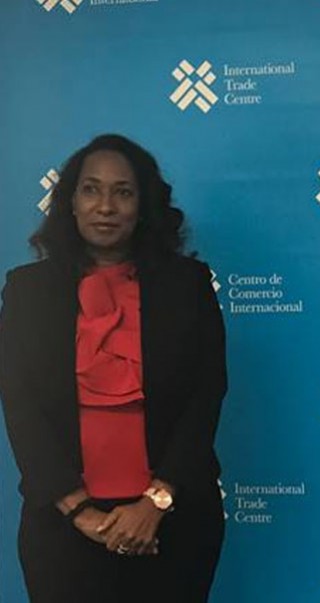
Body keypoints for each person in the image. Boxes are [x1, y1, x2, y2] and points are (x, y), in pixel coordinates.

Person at [0, 134, 227, 602]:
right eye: (91, 190)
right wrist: (79, 511)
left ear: (142, 206)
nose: (105, 206)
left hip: (172, 523)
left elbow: (207, 395)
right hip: (62, 529)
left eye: (123, 192)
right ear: (71, 202)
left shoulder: (188, 285)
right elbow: (20, 405)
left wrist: (156, 501)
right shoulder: (27, 291)